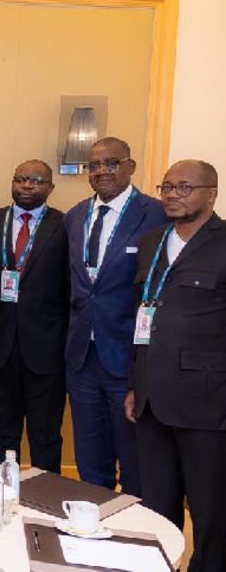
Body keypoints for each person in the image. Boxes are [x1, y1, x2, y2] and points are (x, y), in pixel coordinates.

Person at [125, 160, 226, 572]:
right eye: (166, 187)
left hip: (207, 402)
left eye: (184, 187)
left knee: (210, 512)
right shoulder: (152, 242)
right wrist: (135, 384)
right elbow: (142, 316)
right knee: (157, 508)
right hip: (152, 399)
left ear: (211, 194)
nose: (172, 195)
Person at [64, 137, 165, 496]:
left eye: (111, 163)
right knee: (90, 459)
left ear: (130, 167)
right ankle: (92, 522)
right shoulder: (75, 216)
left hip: (127, 358)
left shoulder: (156, 214)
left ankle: (134, 525)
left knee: (134, 460)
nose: (102, 171)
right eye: (94, 165)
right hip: (82, 358)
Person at [0, 160, 69, 472]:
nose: (27, 185)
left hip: (46, 349)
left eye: (36, 181)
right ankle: (0, 493)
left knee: (45, 435)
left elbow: (71, 288)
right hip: (0, 347)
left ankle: (46, 496)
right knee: (2, 431)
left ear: (50, 188)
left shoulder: (65, 226)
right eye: (21, 179)